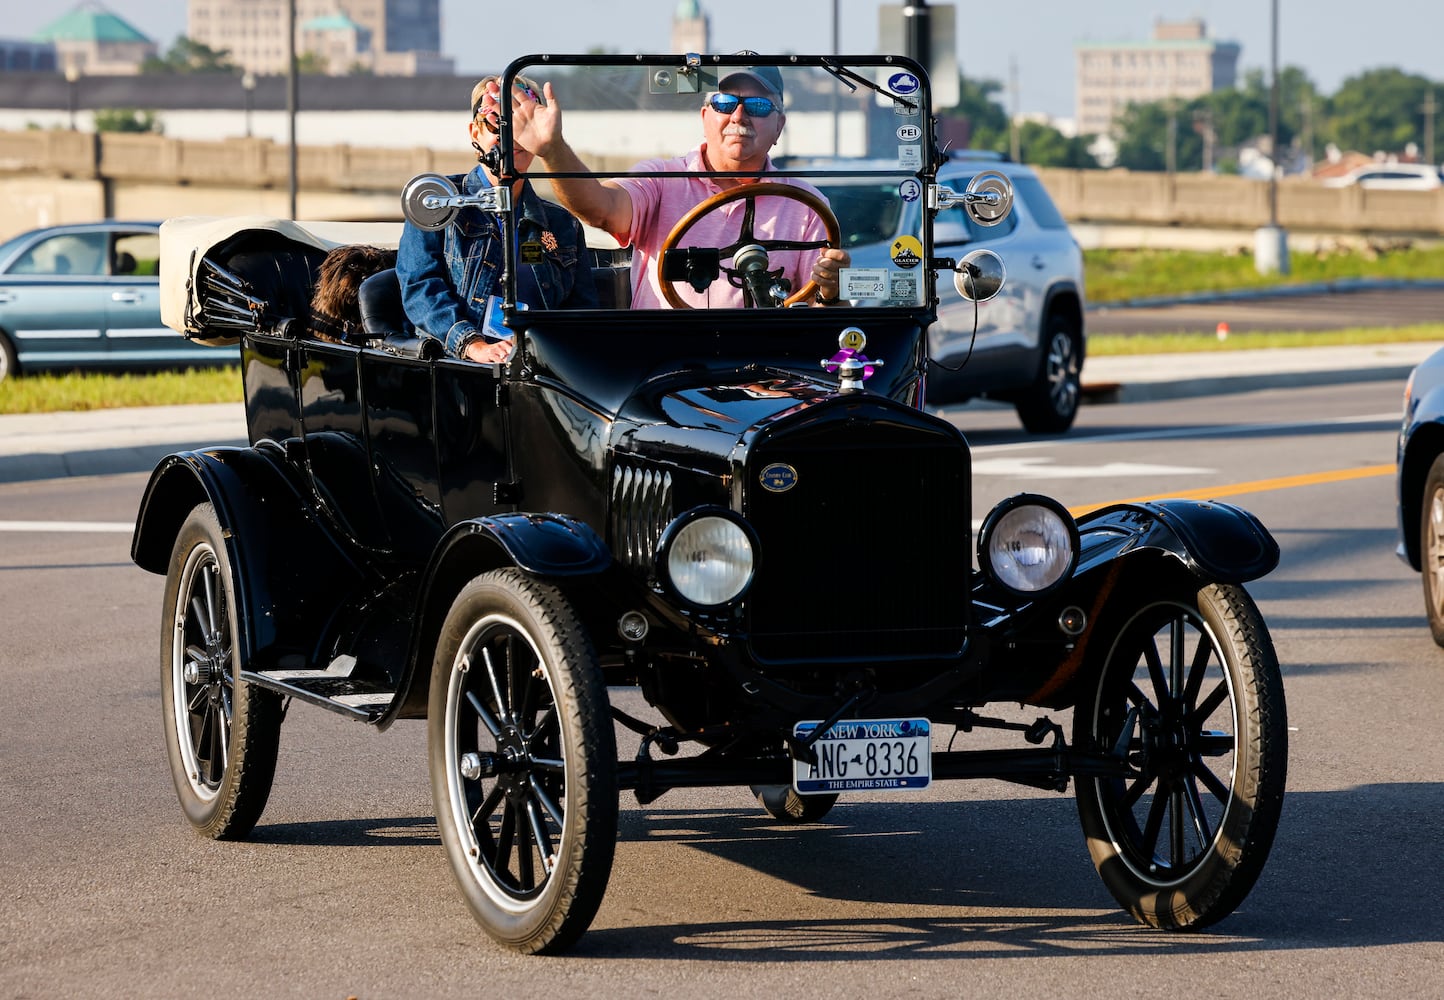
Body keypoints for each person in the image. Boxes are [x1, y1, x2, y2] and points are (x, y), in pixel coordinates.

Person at [507, 62, 850, 309]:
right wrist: (552, 151)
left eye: (759, 106)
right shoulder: (661, 180)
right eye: (725, 103)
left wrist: (831, 292)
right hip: (665, 366)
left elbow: (820, 315)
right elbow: (600, 208)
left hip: (765, 370)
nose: (739, 116)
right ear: (705, 118)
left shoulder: (806, 205)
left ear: (779, 127)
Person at [396, 75, 597, 364]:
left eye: (523, 126)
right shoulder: (436, 204)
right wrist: (473, 345)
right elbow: (419, 288)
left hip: (538, 369)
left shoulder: (562, 224)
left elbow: (582, 312)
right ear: (474, 132)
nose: (511, 137)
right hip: (454, 370)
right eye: (496, 124)